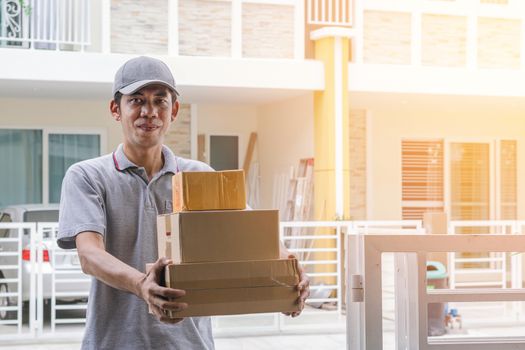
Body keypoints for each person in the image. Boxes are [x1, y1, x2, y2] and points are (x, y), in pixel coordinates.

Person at [57, 56, 310, 350]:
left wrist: (290, 269)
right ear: (116, 109)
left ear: (173, 110)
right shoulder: (88, 176)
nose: (148, 111)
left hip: (189, 344)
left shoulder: (199, 176)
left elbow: (254, 238)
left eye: (159, 101)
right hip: (114, 343)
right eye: (136, 100)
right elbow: (89, 255)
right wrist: (142, 285)